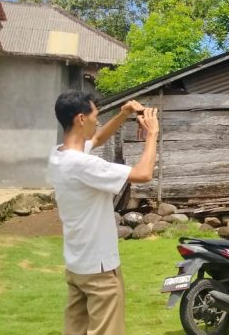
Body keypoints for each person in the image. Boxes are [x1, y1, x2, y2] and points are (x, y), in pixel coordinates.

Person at [49, 91, 159, 335]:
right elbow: (143, 174)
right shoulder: (83, 164)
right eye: (95, 115)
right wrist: (152, 135)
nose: (97, 121)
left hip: (77, 265)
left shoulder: (57, 154)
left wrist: (124, 113)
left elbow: (97, 139)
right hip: (99, 270)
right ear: (80, 118)